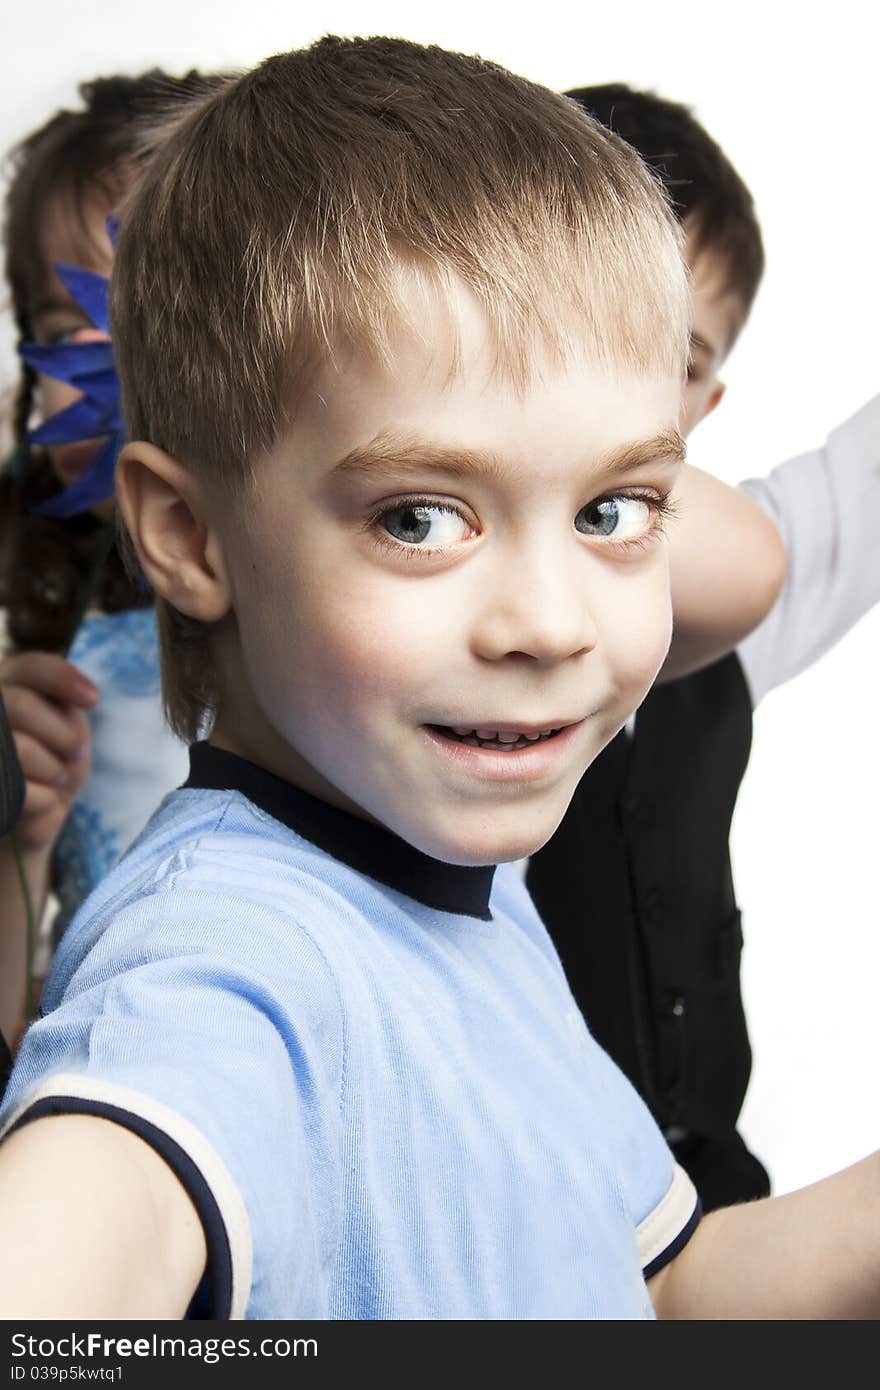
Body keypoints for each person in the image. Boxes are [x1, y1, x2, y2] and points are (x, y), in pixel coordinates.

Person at [4, 36, 871, 1322]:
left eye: (613, 508)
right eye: (419, 518)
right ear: (188, 538)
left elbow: (667, 1292)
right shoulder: (228, 970)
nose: (550, 622)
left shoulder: (463, 897)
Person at [526, 84, 880, 1212]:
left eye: (668, 354)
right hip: (523, 1238)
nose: (620, 382)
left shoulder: (722, 588)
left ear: (707, 395)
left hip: (714, 1210)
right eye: (589, 317)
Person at [0, 71, 222, 1047]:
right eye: (62, 329)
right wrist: (25, 831)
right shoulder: (48, 643)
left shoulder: (330, 611)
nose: (110, 351)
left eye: (150, 308)